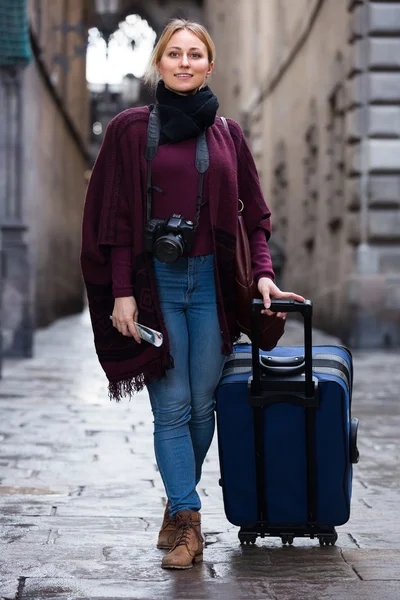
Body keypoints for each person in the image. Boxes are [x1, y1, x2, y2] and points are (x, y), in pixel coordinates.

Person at [81, 19, 304, 570]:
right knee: (171, 407)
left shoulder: (227, 134)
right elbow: (113, 219)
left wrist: (263, 273)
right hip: (153, 285)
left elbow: (256, 215)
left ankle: (176, 504)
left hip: (210, 285)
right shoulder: (131, 130)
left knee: (204, 407)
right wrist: (123, 292)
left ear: (209, 65)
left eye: (195, 55)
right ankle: (189, 522)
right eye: (174, 53)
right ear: (159, 62)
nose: (184, 63)